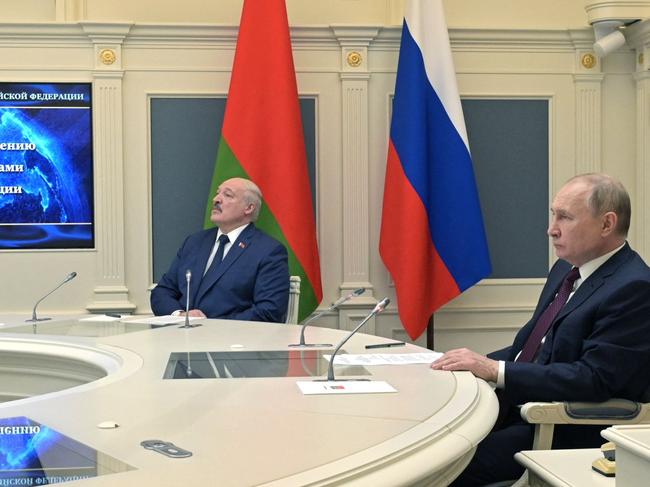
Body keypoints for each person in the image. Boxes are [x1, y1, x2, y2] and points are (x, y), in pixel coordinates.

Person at [431, 173, 650, 486]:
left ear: (606, 224)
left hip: (562, 427)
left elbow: (595, 379)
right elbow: (535, 347)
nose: (552, 229)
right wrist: (471, 363)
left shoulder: (634, 287)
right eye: (553, 215)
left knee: (442, 470)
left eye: (565, 217)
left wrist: (494, 370)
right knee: (431, 447)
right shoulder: (566, 269)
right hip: (516, 409)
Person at [151, 177, 289, 323]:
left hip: (233, 341)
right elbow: (162, 292)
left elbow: (269, 310)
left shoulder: (268, 251)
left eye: (227, 195)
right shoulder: (194, 242)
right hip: (179, 337)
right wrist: (180, 315)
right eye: (218, 193)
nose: (216, 199)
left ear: (248, 208)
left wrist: (212, 327)